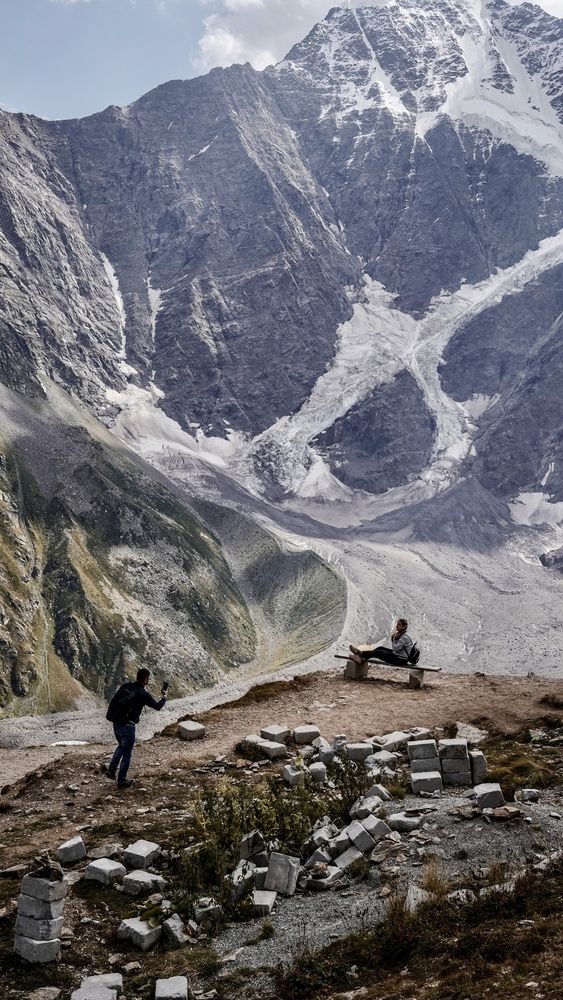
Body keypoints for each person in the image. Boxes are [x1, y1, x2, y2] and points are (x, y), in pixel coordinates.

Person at [102, 668, 167, 789]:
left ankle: (111, 770)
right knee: (127, 754)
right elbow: (157, 706)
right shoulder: (143, 694)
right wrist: (164, 697)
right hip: (128, 725)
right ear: (146, 679)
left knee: (122, 746)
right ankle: (122, 781)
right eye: (148, 678)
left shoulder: (126, 686)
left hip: (116, 723)